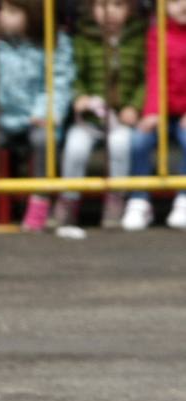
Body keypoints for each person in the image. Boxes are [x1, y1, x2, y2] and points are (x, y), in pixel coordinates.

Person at [0, 0, 72, 233]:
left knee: (44, 141)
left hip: (36, 116)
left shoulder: (55, 44)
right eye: (0, 10)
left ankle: (40, 201)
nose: (1, 16)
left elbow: (57, 84)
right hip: (1, 117)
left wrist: (45, 112)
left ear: (33, 15)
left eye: (11, 11)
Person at [52, 0, 144, 229]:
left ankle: (116, 198)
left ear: (130, 9)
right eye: (102, 5)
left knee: (121, 145)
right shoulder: (83, 40)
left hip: (122, 118)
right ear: (91, 8)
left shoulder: (138, 39)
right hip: (90, 119)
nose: (109, 11)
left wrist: (134, 106)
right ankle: (69, 199)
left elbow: (147, 78)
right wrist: (80, 96)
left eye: (118, 4)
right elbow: (75, 75)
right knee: (75, 147)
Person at [122, 0, 186, 230]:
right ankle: (139, 199)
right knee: (139, 140)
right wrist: (152, 111)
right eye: (175, 0)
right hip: (162, 109)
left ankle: (183, 197)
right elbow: (154, 74)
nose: (183, 6)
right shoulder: (157, 33)